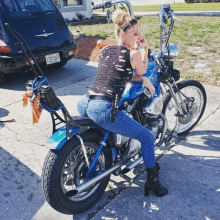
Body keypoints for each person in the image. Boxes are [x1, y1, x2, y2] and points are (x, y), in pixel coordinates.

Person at [77, 9, 168, 197]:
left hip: (86, 102)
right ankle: (153, 181)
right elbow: (141, 71)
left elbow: (118, 74)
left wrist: (139, 78)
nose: (137, 37)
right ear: (124, 34)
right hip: (103, 108)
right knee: (148, 137)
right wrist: (145, 48)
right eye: (135, 34)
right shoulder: (133, 53)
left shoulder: (105, 50)